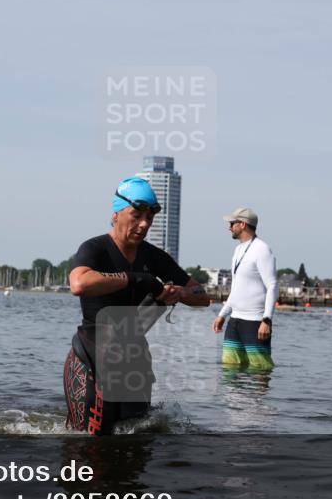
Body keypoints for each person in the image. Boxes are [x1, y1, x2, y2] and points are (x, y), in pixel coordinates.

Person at [64, 177, 210, 435]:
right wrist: (135, 279)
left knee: (135, 442)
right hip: (91, 358)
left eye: (149, 218)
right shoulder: (95, 249)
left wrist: (180, 292)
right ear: (116, 214)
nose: (144, 224)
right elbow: (79, 284)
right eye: (136, 215)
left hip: (134, 362)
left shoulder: (154, 257)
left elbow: (202, 297)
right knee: (89, 443)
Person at [213, 208, 277, 371]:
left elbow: (272, 286)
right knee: (229, 370)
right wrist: (222, 314)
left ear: (242, 224)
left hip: (255, 322)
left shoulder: (262, 249)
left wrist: (267, 320)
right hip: (234, 321)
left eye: (232, 223)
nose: (229, 227)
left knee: (260, 370)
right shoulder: (238, 250)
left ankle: (257, 398)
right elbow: (236, 288)